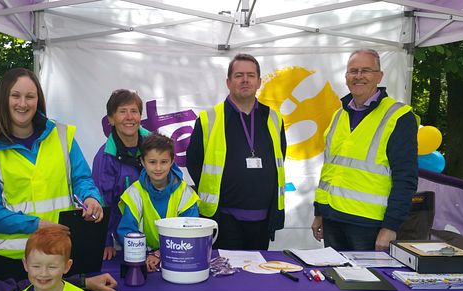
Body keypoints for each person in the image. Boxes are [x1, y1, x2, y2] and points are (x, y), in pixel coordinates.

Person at [0, 67, 106, 283]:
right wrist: (36, 225)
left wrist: (91, 198)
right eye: (16, 96)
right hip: (8, 261)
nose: (23, 103)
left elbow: (81, 179)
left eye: (30, 96)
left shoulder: (62, 135)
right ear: (3, 99)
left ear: (38, 100)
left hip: (59, 255)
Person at [311, 49, 418, 251]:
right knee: (333, 278)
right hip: (333, 219)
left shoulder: (399, 116)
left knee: (367, 282)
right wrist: (320, 211)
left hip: (369, 225)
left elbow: (406, 178)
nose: (358, 76)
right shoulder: (339, 115)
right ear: (346, 77)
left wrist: (391, 226)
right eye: (353, 71)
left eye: (366, 70)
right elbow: (330, 169)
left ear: (379, 76)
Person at [186, 53, 287, 250]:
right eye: (239, 75)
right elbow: (194, 161)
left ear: (259, 82)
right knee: (225, 277)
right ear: (228, 82)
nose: (245, 80)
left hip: (262, 220)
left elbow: (279, 157)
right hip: (223, 218)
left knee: (257, 275)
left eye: (251, 75)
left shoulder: (274, 118)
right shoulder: (209, 118)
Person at [118, 133, 200, 272]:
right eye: (152, 162)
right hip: (143, 260)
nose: (158, 168)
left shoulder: (185, 193)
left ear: (172, 161)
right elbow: (126, 232)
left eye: (163, 162)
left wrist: (160, 254)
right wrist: (143, 256)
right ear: (143, 162)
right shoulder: (134, 193)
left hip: (179, 259)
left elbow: (191, 233)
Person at [92, 89, 150, 261]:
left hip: (157, 235)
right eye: (122, 112)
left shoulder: (156, 146)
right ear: (111, 119)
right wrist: (105, 240)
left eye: (134, 111)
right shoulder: (104, 158)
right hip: (122, 240)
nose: (129, 117)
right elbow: (102, 202)